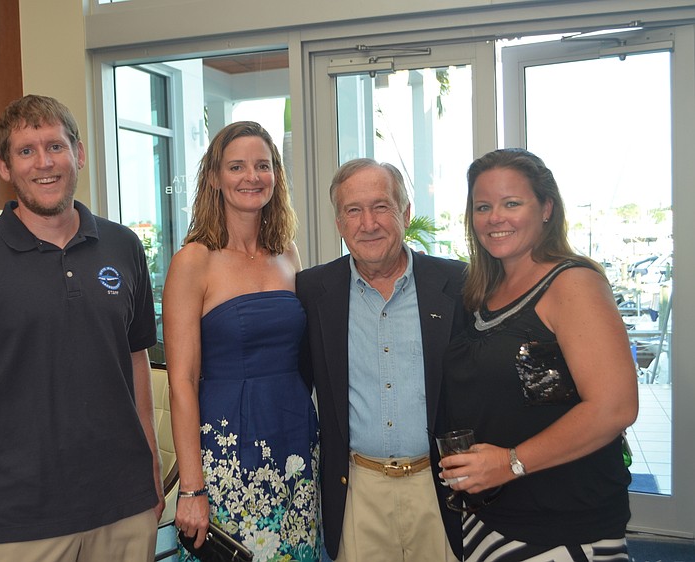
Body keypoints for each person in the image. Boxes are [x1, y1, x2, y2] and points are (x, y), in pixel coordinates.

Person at [0, 95, 163, 562]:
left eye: (55, 146)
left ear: (79, 154)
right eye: (26, 150)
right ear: (4, 167)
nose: (44, 163)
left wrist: (150, 466)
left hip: (124, 510)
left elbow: (135, 364)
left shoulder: (123, 246)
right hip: (19, 523)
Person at [440, 148, 638, 561]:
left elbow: (614, 408)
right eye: (483, 206)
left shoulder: (573, 283)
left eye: (512, 203)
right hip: (491, 516)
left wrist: (511, 463)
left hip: (562, 523)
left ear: (547, 208)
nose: (495, 217)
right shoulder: (482, 292)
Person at [163, 121, 321, 561]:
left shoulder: (287, 251)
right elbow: (181, 381)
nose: (252, 176)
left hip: (294, 440)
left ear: (276, 175)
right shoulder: (193, 260)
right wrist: (192, 487)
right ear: (214, 177)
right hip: (227, 450)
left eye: (262, 166)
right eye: (236, 166)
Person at [296, 158, 466, 562]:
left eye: (381, 207)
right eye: (353, 210)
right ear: (339, 223)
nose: (367, 223)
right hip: (358, 490)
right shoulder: (313, 291)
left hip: (438, 487)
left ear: (405, 214)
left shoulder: (457, 285)